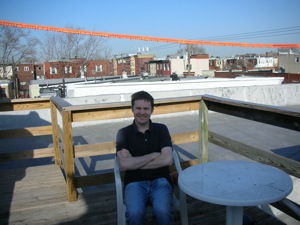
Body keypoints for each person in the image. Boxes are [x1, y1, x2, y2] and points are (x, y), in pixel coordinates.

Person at [116, 90, 174, 225]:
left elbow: (167, 160)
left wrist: (134, 162)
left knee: (163, 212)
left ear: (152, 110)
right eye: (138, 108)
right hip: (134, 182)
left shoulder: (161, 129)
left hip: (160, 180)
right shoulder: (123, 133)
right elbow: (124, 165)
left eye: (146, 108)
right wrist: (154, 155)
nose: (142, 112)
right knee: (134, 214)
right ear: (132, 109)